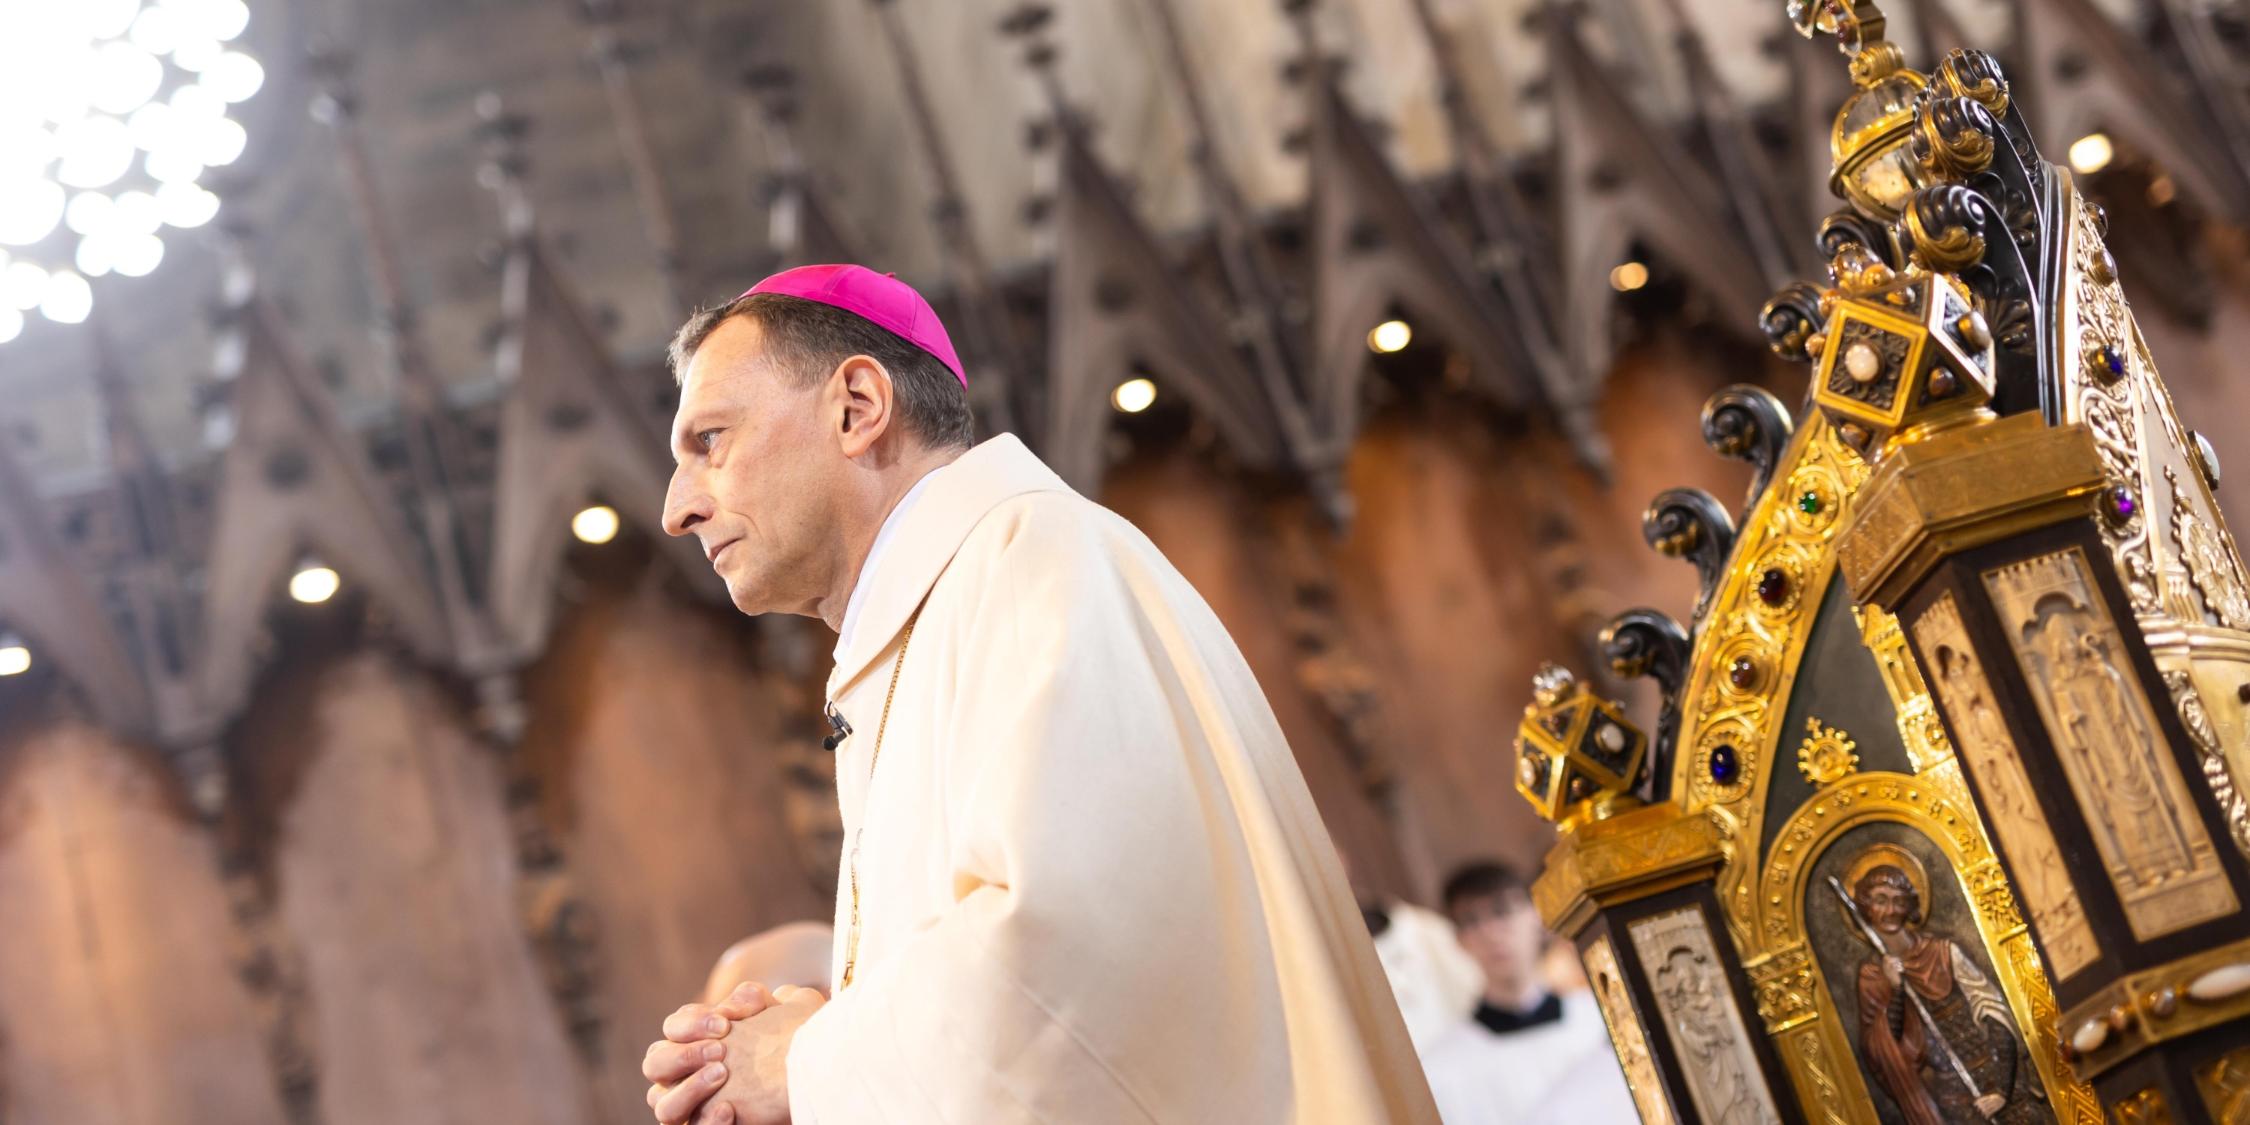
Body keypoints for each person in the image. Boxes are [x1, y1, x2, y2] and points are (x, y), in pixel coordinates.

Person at [637, 264, 1436, 1124]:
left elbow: (1073, 958)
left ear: (856, 407)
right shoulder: (938, 615)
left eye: (709, 440)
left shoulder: (1031, 563)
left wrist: (811, 1060)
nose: (677, 509)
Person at [1417, 861, 1636, 1123]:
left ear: (1537, 917)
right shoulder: (1441, 1068)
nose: (1492, 933)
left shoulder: (1605, 1022)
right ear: (1459, 941)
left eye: (1502, 911)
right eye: (1472, 921)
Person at [1848, 864, 2047, 1124]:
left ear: (1910, 906)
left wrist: (2001, 1089)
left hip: (1995, 1074)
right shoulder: (1873, 975)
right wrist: (1896, 988)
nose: (1890, 911)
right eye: (1880, 901)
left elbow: (1994, 1013)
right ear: (1866, 907)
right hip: (1952, 1096)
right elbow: (1885, 1047)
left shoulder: (1943, 952)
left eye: (1898, 901)